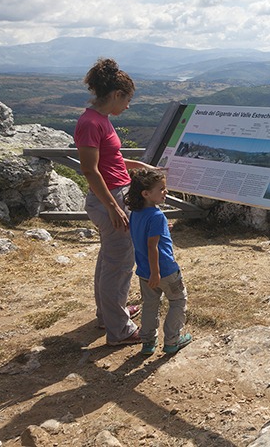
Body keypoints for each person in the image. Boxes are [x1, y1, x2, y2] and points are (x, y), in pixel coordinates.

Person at [75, 58, 152, 346]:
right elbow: (89, 170)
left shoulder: (101, 120)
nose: (128, 107)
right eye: (128, 100)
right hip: (109, 198)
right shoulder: (90, 123)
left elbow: (113, 160)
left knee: (110, 259)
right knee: (119, 264)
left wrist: (143, 167)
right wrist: (113, 206)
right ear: (116, 94)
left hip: (115, 194)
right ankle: (119, 329)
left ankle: (109, 314)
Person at [125, 168, 191, 355]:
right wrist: (157, 273)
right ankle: (172, 341)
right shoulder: (156, 216)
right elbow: (152, 246)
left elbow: (145, 235)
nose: (166, 191)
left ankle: (147, 343)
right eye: (161, 188)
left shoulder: (136, 213)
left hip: (144, 271)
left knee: (150, 305)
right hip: (165, 271)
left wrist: (163, 229)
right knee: (178, 300)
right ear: (146, 193)